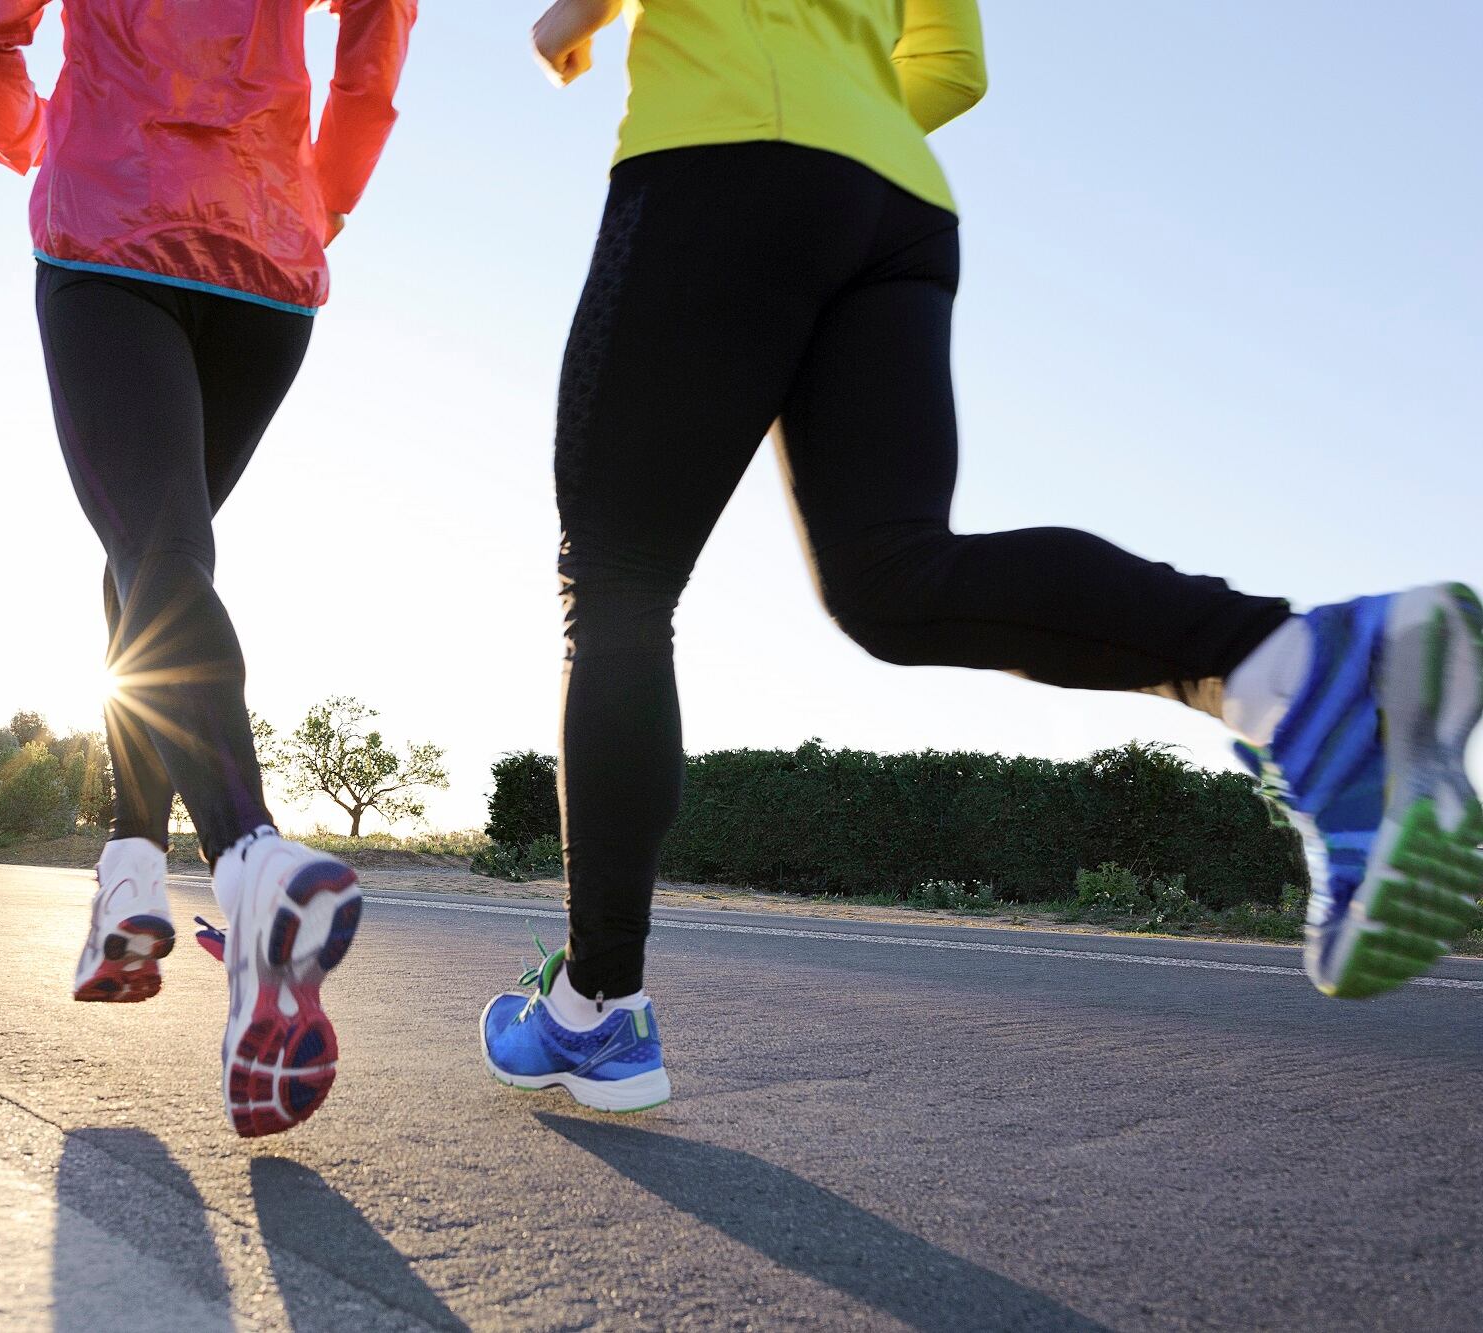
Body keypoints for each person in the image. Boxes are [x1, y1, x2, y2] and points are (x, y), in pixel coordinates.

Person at [479, 0, 1483, 1113]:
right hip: (892, 202)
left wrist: (569, 28)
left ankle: (593, 1006)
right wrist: (839, 117)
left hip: (716, 155)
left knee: (616, 586)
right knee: (890, 579)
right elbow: (953, 66)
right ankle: (1297, 669)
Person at [0, 0, 415, 1138]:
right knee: (156, 555)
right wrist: (324, 193)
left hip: (112, 226)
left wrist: (34, 139)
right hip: (266, 257)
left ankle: (250, 859)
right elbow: (379, 30)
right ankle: (131, 873)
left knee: (156, 547)